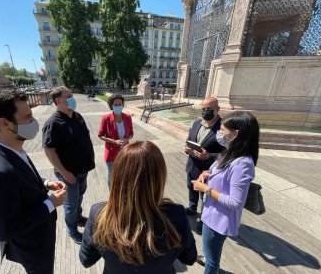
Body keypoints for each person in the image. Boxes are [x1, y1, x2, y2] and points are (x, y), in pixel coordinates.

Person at [0, 90, 67, 274]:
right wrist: (51, 203)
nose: (33, 121)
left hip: (39, 237)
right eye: (28, 116)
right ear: (4, 123)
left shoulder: (12, 150)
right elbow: (5, 230)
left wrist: (45, 183)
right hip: (32, 248)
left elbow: (22, 179)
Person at [80, 141, 197, 273]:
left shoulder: (98, 214)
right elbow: (190, 258)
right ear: (159, 178)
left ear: (117, 176)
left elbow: (86, 259)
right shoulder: (176, 215)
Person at [192, 111, 260, 273]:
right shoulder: (229, 151)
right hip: (211, 212)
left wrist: (206, 189)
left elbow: (235, 202)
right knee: (209, 252)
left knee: (212, 259)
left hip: (218, 220)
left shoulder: (243, 163)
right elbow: (218, 172)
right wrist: (206, 174)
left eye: (223, 130)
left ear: (235, 133)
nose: (219, 134)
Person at [42, 87, 95, 244]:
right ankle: (72, 230)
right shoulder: (53, 123)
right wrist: (64, 172)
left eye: (72, 95)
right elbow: (49, 150)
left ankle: (78, 219)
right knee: (70, 204)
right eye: (69, 96)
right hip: (68, 174)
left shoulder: (77, 116)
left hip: (82, 170)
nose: (73, 99)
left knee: (79, 198)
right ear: (58, 101)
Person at [184, 97, 224, 233]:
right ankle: (192, 208)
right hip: (192, 165)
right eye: (203, 109)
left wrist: (209, 156)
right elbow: (189, 139)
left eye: (209, 109)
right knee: (191, 187)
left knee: (206, 196)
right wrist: (187, 147)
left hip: (209, 170)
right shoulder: (197, 123)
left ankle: (204, 219)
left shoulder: (223, 128)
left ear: (217, 109)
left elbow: (227, 154)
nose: (205, 112)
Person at [98, 94, 133, 187]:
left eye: (120, 104)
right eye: (115, 104)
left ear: (123, 104)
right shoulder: (106, 118)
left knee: (125, 173)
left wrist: (126, 139)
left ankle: (123, 192)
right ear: (111, 106)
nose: (118, 106)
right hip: (111, 153)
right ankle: (112, 195)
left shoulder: (128, 117)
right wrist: (115, 142)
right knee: (112, 174)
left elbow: (131, 134)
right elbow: (100, 135)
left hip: (125, 151)